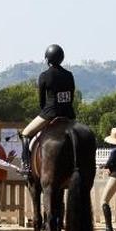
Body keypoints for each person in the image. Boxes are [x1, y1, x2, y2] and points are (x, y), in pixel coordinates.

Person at [20, 44, 75, 172]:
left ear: (48, 59)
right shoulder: (69, 75)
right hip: (68, 115)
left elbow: (42, 100)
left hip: (50, 113)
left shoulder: (44, 75)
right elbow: (71, 97)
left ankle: (26, 166)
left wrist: (45, 112)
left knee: (25, 134)